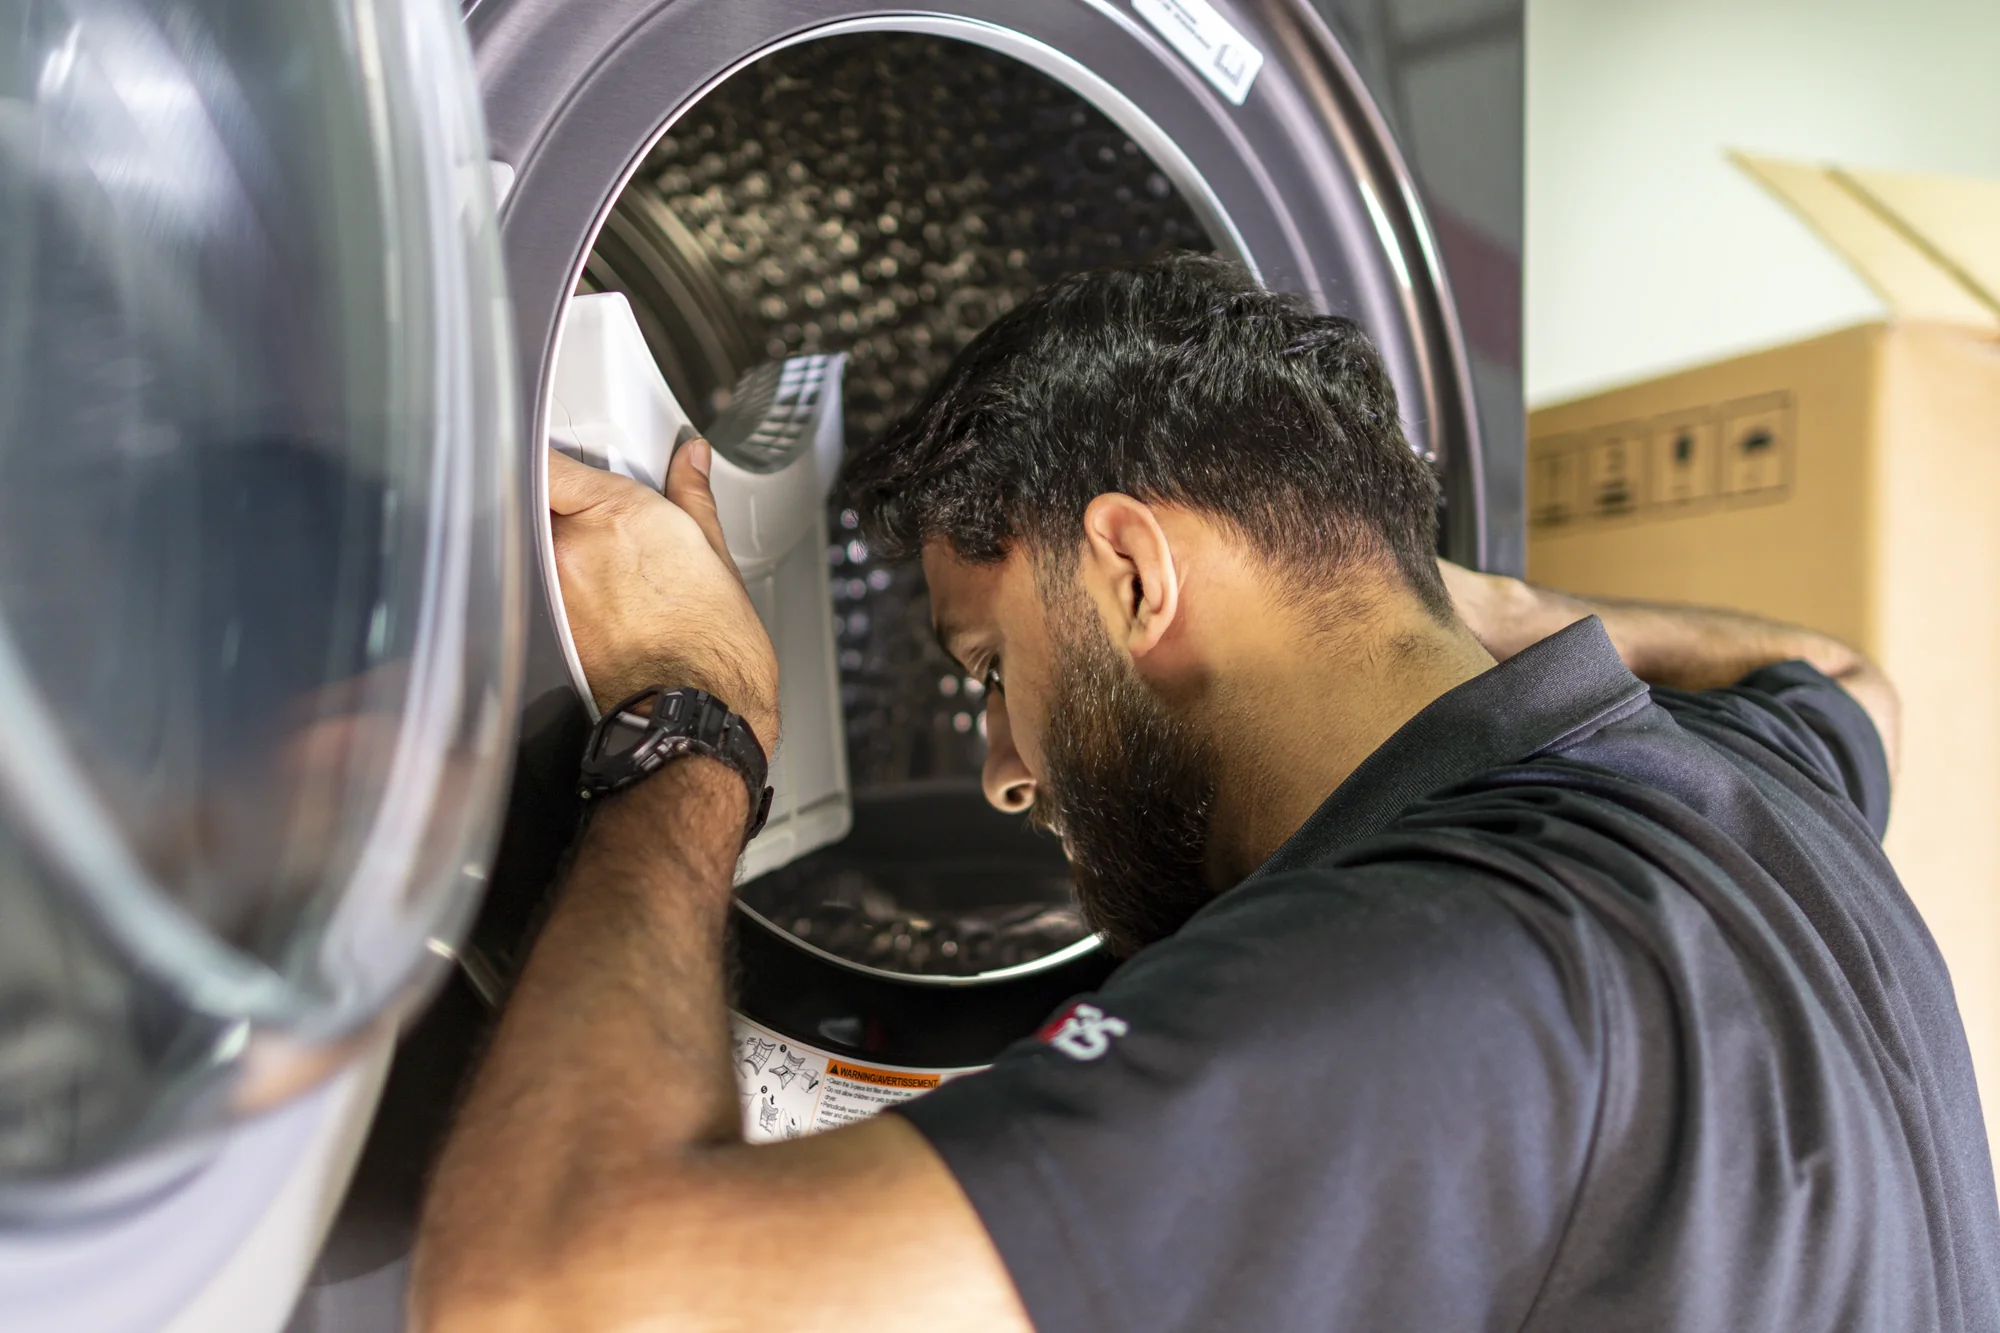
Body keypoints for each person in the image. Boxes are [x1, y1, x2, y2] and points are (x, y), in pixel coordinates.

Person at [412, 254, 2000, 1331]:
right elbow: (1847, 673)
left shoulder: (1412, 966)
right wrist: (1466, 611)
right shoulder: (1749, 784)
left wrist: (695, 720)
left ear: (1130, 570)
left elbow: (552, 1297)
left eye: (989, 671)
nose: (1008, 774)